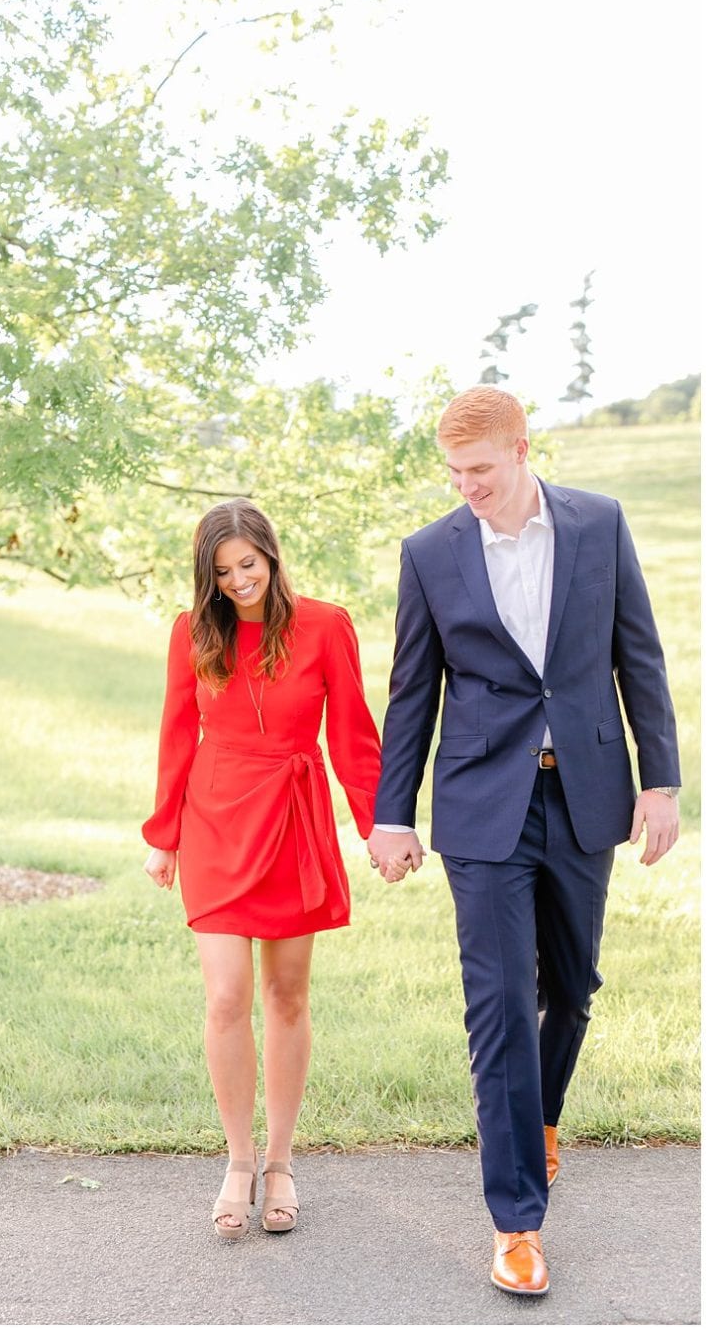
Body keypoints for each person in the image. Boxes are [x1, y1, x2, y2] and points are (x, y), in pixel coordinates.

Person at [366, 386, 679, 1297]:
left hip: (585, 793)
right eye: (453, 473)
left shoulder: (598, 524)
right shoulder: (430, 553)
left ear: (522, 450)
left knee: (573, 986)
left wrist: (658, 780)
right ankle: (517, 1220)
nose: (466, 488)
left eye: (481, 471)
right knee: (501, 1002)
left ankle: (535, 1118)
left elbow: (640, 656)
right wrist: (395, 812)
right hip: (480, 804)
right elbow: (412, 692)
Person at [143, 499, 382, 1239]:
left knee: (285, 992)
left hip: (291, 819)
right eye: (222, 571)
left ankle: (280, 1161)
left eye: (247, 563)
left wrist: (378, 825)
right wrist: (162, 833)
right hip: (214, 820)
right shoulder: (194, 631)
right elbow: (178, 731)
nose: (238, 580)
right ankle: (237, 1161)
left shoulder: (325, 623)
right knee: (225, 995)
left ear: (271, 556)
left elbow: (351, 733)